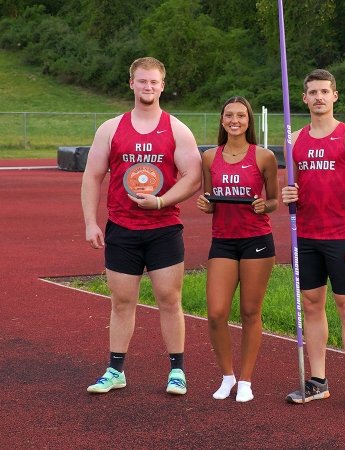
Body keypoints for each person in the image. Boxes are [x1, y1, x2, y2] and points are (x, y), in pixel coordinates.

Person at [81, 57, 202, 395]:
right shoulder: (111, 128)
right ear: (131, 83)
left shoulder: (176, 129)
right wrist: (91, 223)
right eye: (142, 81)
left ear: (162, 86)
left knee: (169, 299)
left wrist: (162, 201)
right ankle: (115, 370)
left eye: (154, 82)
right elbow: (91, 176)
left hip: (163, 228)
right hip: (122, 228)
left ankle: (177, 371)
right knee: (121, 302)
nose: (148, 87)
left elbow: (194, 177)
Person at [281, 69, 345, 411]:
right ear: (304, 98)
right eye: (312, 92)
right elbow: (292, 188)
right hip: (305, 236)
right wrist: (288, 193)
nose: (319, 97)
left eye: (324, 91)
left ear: (335, 95)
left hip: (341, 235)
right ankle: (318, 381)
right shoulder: (293, 140)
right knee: (311, 304)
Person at [197, 96, 279, 402]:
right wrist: (205, 204)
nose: (235, 120)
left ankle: (246, 380)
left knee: (249, 311)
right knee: (217, 313)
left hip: (256, 240)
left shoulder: (264, 157)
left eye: (241, 116)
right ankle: (227, 376)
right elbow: (209, 200)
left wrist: (263, 205)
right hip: (223, 240)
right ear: (222, 120)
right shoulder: (209, 157)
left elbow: (273, 200)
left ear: (248, 121)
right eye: (229, 115)